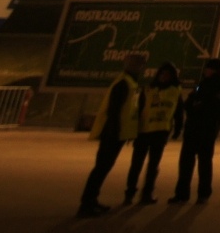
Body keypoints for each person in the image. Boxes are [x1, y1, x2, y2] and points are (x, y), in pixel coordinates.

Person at [77, 53, 145, 217]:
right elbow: (114, 110)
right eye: (139, 64)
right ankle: (86, 204)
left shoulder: (130, 82)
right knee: (101, 168)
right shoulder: (124, 83)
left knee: (104, 167)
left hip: (118, 133)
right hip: (112, 133)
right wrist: (115, 131)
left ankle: (92, 200)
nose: (141, 68)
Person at [169, 58, 220, 205]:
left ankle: (192, 194)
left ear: (213, 69)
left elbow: (214, 103)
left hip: (205, 128)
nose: (205, 71)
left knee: (198, 162)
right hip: (198, 128)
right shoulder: (203, 83)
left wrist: (199, 105)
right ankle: (192, 194)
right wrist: (196, 105)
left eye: (208, 68)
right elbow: (191, 101)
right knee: (194, 162)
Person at [125, 62, 182, 205]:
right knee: (136, 165)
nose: (164, 77)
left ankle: (147, 194)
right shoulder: (148, 90)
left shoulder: (175, 91)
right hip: (143, 132)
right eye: (162, 74)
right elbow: (138, 109)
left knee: (153, 166)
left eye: (167, 75)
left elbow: (178, 111)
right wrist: (131, 130)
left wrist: (178, 129)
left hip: (160, 132)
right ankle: (130, 193)